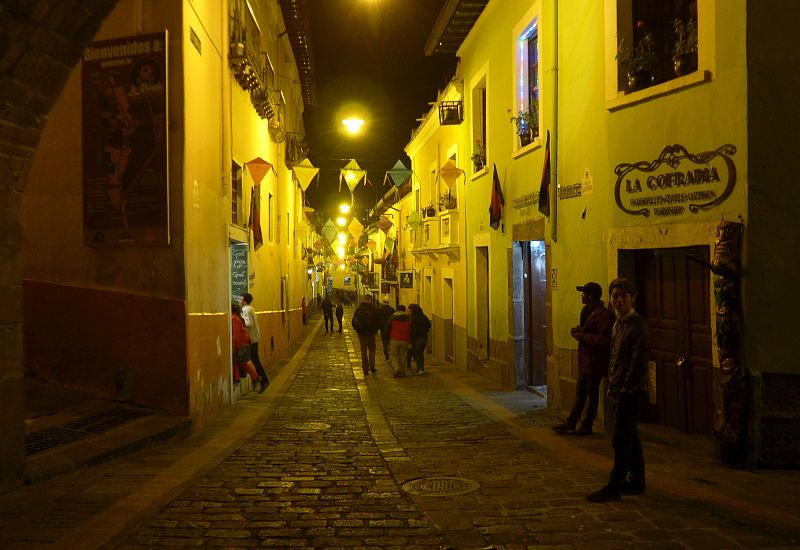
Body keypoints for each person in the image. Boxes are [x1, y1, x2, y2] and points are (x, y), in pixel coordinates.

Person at [586, 278, 651, 503]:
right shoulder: (618, 324)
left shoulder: (637, 325)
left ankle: (614, 485)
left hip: (631, 390)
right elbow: (615, 357)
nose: (618, 300)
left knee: (621, 438)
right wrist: (612, 385)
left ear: (632, 298)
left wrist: (624, 388)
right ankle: (637, 480)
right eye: (615, 296)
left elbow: (638, 361)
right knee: (631, 435)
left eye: (623, 296)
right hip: (619, 388)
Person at [552, 282, 613, 436]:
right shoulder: (586, 310)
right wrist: (578, 330)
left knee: (592, 393)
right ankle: (571, 423)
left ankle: (587, 425)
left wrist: (583, 336)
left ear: (591, 296)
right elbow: (587, 329)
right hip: (585, 360)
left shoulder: (603, 315)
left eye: (584, 294)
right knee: (580, 391)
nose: (582, 296)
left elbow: (603, 339)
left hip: (595, 361)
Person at [239, 293, 269, 392]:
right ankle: (262, 380)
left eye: (241, 299)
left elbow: (249, 323)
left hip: (251, 338)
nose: (239, 300)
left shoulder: (246, 310)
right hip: (254, 338)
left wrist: (240, 321)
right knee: (254, 359)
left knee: (254, 360)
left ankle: (263, 380)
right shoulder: (250, 308)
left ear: (245, 301)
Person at [231, 303, 262, 388]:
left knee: (237, 361)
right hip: (244, 342)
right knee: (241, 362)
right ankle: (254, 376)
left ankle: (238, 379)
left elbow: (236, 334)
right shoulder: (237, 317)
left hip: (241, 343)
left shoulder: (234, 318)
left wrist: (234, 346)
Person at [351, 297, 378, 375]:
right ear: (370, 300)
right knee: (372, 349)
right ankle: (372, 366)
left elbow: (353, 321)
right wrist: (374, 330)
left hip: (362, 335)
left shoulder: (358, 310)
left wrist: (358, 331)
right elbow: (377, 321)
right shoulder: (372, 309)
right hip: (371, 334)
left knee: (363, 350)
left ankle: (365, 368)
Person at [384, 305, 412, 377]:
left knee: (394, 355)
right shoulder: (409, 318)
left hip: (394, 339)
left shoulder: (392, 318)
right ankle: (402, 372)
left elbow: (387, 328)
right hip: (405, 339)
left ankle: (396, 368)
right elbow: (412, 330)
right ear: (404, 310)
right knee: (403, 356)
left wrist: (386, 339)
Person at [407, 304, 432, 373]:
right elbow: (429, 325)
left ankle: (420, 368)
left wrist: (411, 339)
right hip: (424, 337)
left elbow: (412, 330)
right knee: (421, 353)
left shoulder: (413, 318)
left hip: (417, 338)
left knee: (417, 353)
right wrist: (424, 329)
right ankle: (421, 368)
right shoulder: (424, 316)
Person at [375, 298, 395, 363]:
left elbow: (377, 320)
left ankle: (386, 356)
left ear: (383, 302)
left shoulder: (379, 310)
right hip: (391, 329)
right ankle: (392, 355)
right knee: (390, 343)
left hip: (383, 329)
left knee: (384, 343)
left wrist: (377, 328)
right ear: (388, 302)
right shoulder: (392, 310)